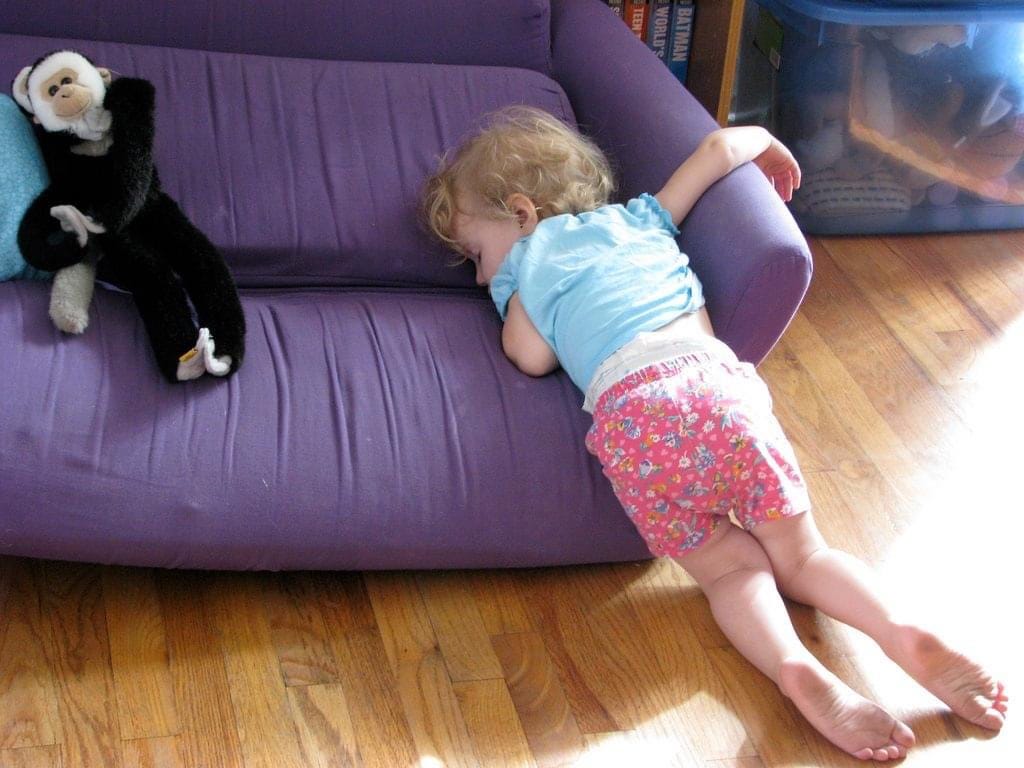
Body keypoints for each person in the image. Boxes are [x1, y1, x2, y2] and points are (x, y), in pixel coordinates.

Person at [421, 106, 1007, 762]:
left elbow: (531, 357)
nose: (478, 275)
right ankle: (899, 630)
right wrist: (769, 146)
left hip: (636, 422)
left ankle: (792, 666)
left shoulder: (527, 269)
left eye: (475, 253)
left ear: (523, 213)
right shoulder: (641, 216)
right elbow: (718, 148)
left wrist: (512, 299)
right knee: (805, 557)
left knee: (730, 572)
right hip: (720, 391)